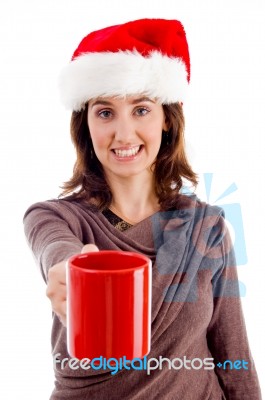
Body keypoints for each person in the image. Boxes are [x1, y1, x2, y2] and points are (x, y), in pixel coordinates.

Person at [23, 18, 262, 399]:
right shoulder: (54, 217)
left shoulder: (207, 227)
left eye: (141, 109)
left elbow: (234, 358)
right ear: (85, 124)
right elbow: (56, 250)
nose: (123, 134)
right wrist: (72, 273)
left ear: (167, 118)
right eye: (105, 112)